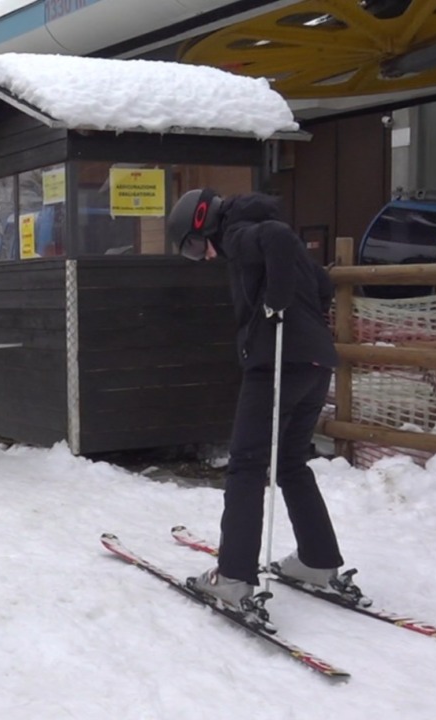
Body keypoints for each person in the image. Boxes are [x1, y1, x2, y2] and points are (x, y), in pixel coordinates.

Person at [167, 188, 347, 615]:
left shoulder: (240, 232)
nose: (205, 256)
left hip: (277, 364)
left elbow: (279, 237)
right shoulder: (248, 233)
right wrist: (305, 318)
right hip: (315, 362)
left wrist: (277, 303)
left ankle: (232, 577)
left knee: (246, 465)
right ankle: (317, 562)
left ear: (205, 222)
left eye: (195, 246)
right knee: (289, 463)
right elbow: (323, 284)